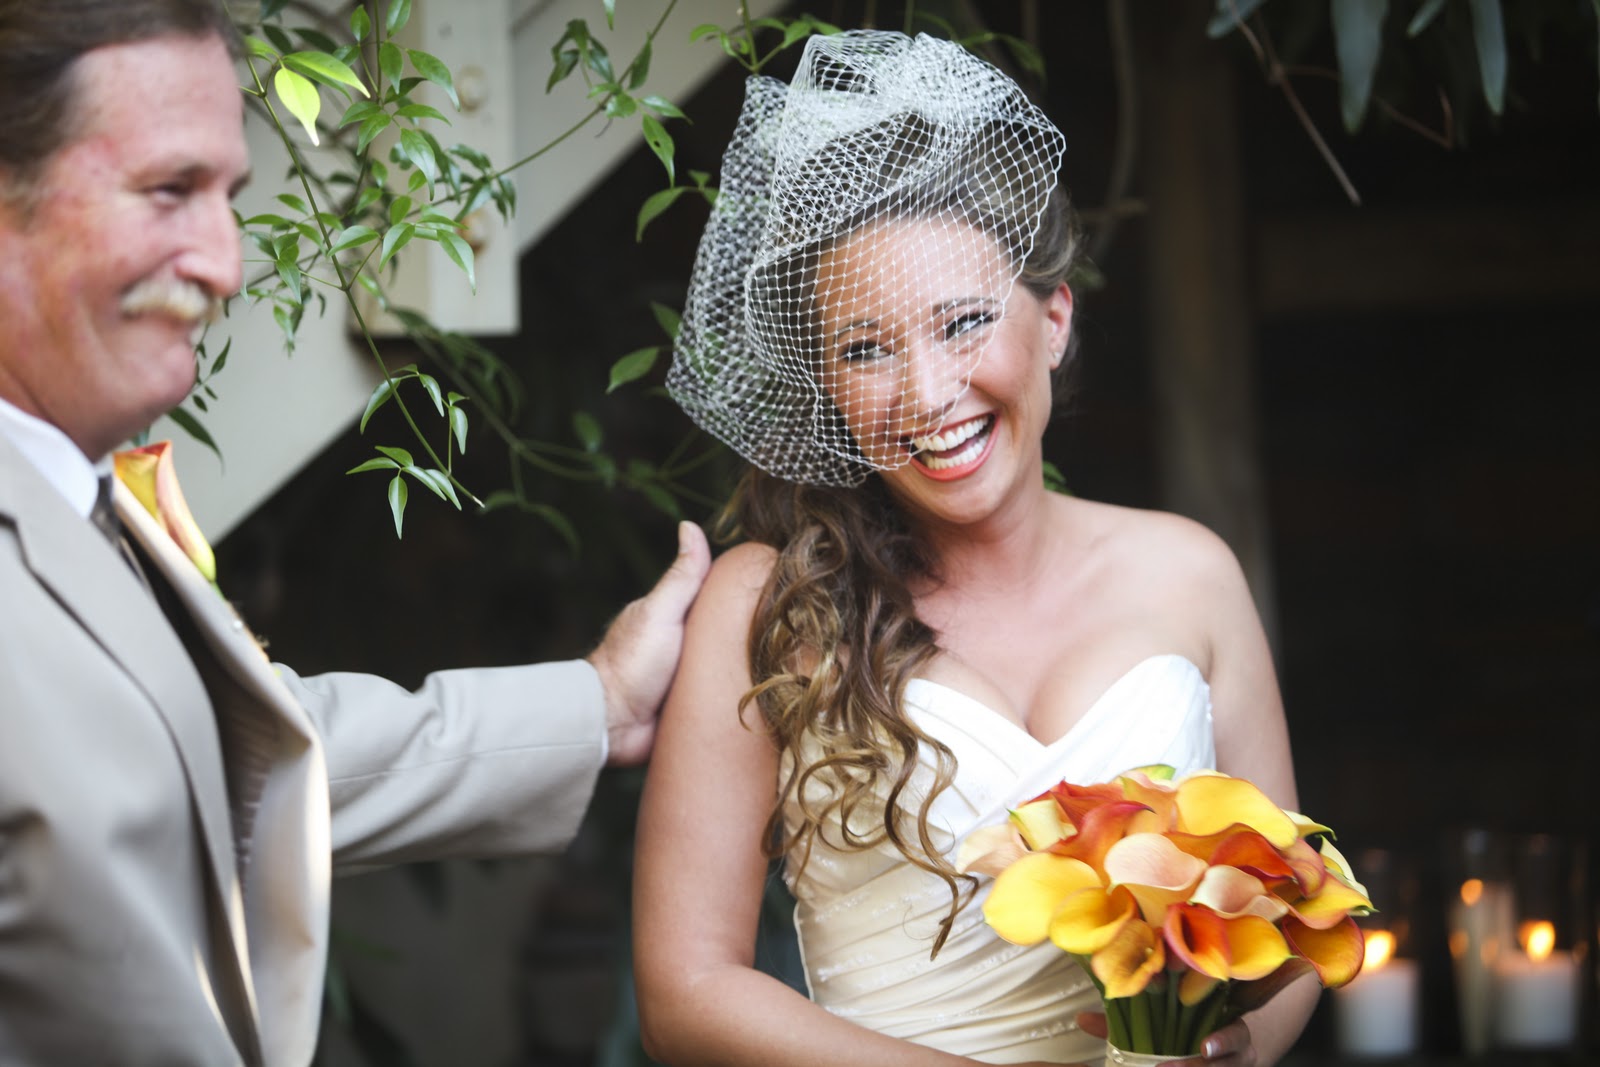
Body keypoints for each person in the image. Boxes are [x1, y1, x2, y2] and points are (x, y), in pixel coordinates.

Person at [0, 2, 710, 1064]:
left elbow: (234, 757)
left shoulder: (70, 493)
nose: (227, 265)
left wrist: (598, 704)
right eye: (168, 192)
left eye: (229, 197)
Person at [633, 30, 1318, 1066]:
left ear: (1052, 320)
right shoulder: (766, 607)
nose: (925, 392)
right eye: (865, 349)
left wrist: (1238, 1046)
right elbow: (686, 990)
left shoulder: (1189, 572)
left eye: (961, 323)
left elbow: (1292, 929)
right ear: (825, 383)